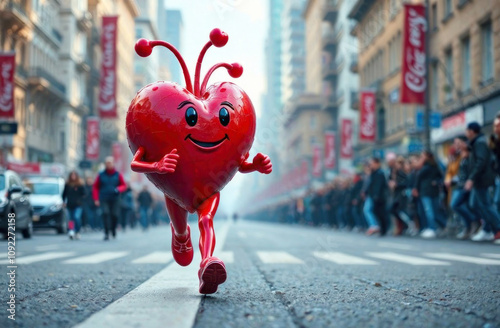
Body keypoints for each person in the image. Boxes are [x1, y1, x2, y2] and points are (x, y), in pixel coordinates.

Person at [465, 122, 500, 243]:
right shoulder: (477, 142)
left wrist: (471, 178)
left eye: (467, 130)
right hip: (479, 179)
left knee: (486, 205)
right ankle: (488, 229)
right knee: (475, 204)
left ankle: (497, 230)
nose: (466, 133)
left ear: (472, 131)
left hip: (482, 179)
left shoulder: (479, 142)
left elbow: (481, 161)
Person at [449, 136, 478, 239]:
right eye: (455, 143)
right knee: (459, 206)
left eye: (458, 143)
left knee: (455, 204)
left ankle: (474, 221)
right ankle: (468, 227)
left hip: (466, 185)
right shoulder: (458, 156)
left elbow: (472, 170)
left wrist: (470, 181)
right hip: (459, 184)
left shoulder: (470, 154)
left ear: (464, 143)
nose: (456, 145)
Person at [92, 157, 127, 240]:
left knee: (115, 215)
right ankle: (106, 232)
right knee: (105, 213)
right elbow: (96, 187)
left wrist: (118, 189)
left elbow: (124, 185)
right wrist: (96, 199)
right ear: (105, 164)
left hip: (115, 198)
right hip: (104, 198)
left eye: (110, 163)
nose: (109, 164)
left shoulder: (118, 174)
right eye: (107, 163)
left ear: (113, 163)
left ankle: (113, 229)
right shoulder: (101, 175)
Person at [413, 151, 445, 239]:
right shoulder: (432, 166)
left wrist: (436, 182)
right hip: (428, 191)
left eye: (423, 156)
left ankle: (432, 228)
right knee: (432, 210)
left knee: (430, 211)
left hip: (427, 191)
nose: (421, 158)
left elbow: (440, 177)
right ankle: (434, 227)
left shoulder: (429, 166)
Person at [365, 158, 389, 236]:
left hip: (379, 197)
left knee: (381, 213)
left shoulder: (380, 173)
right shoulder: (373, 173)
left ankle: (381, 229)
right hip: (374, 196)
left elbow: (379, 186)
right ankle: (379, 228)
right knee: (376, 212)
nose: (370, 165)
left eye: (372, 163)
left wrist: (376, 196)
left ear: (377, 163)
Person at [62, 171, 86, 240]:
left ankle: (78, 231)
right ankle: (71, 230)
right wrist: (64, 202)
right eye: (72, 175)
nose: (73, 177)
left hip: (78, 205)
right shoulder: (67, 185)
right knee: (70, 219)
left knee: (76, 217)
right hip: (69, 204)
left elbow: (84, 194)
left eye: (74, 175)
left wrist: (80, 200)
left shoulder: (80, 185)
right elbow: (64, 194)